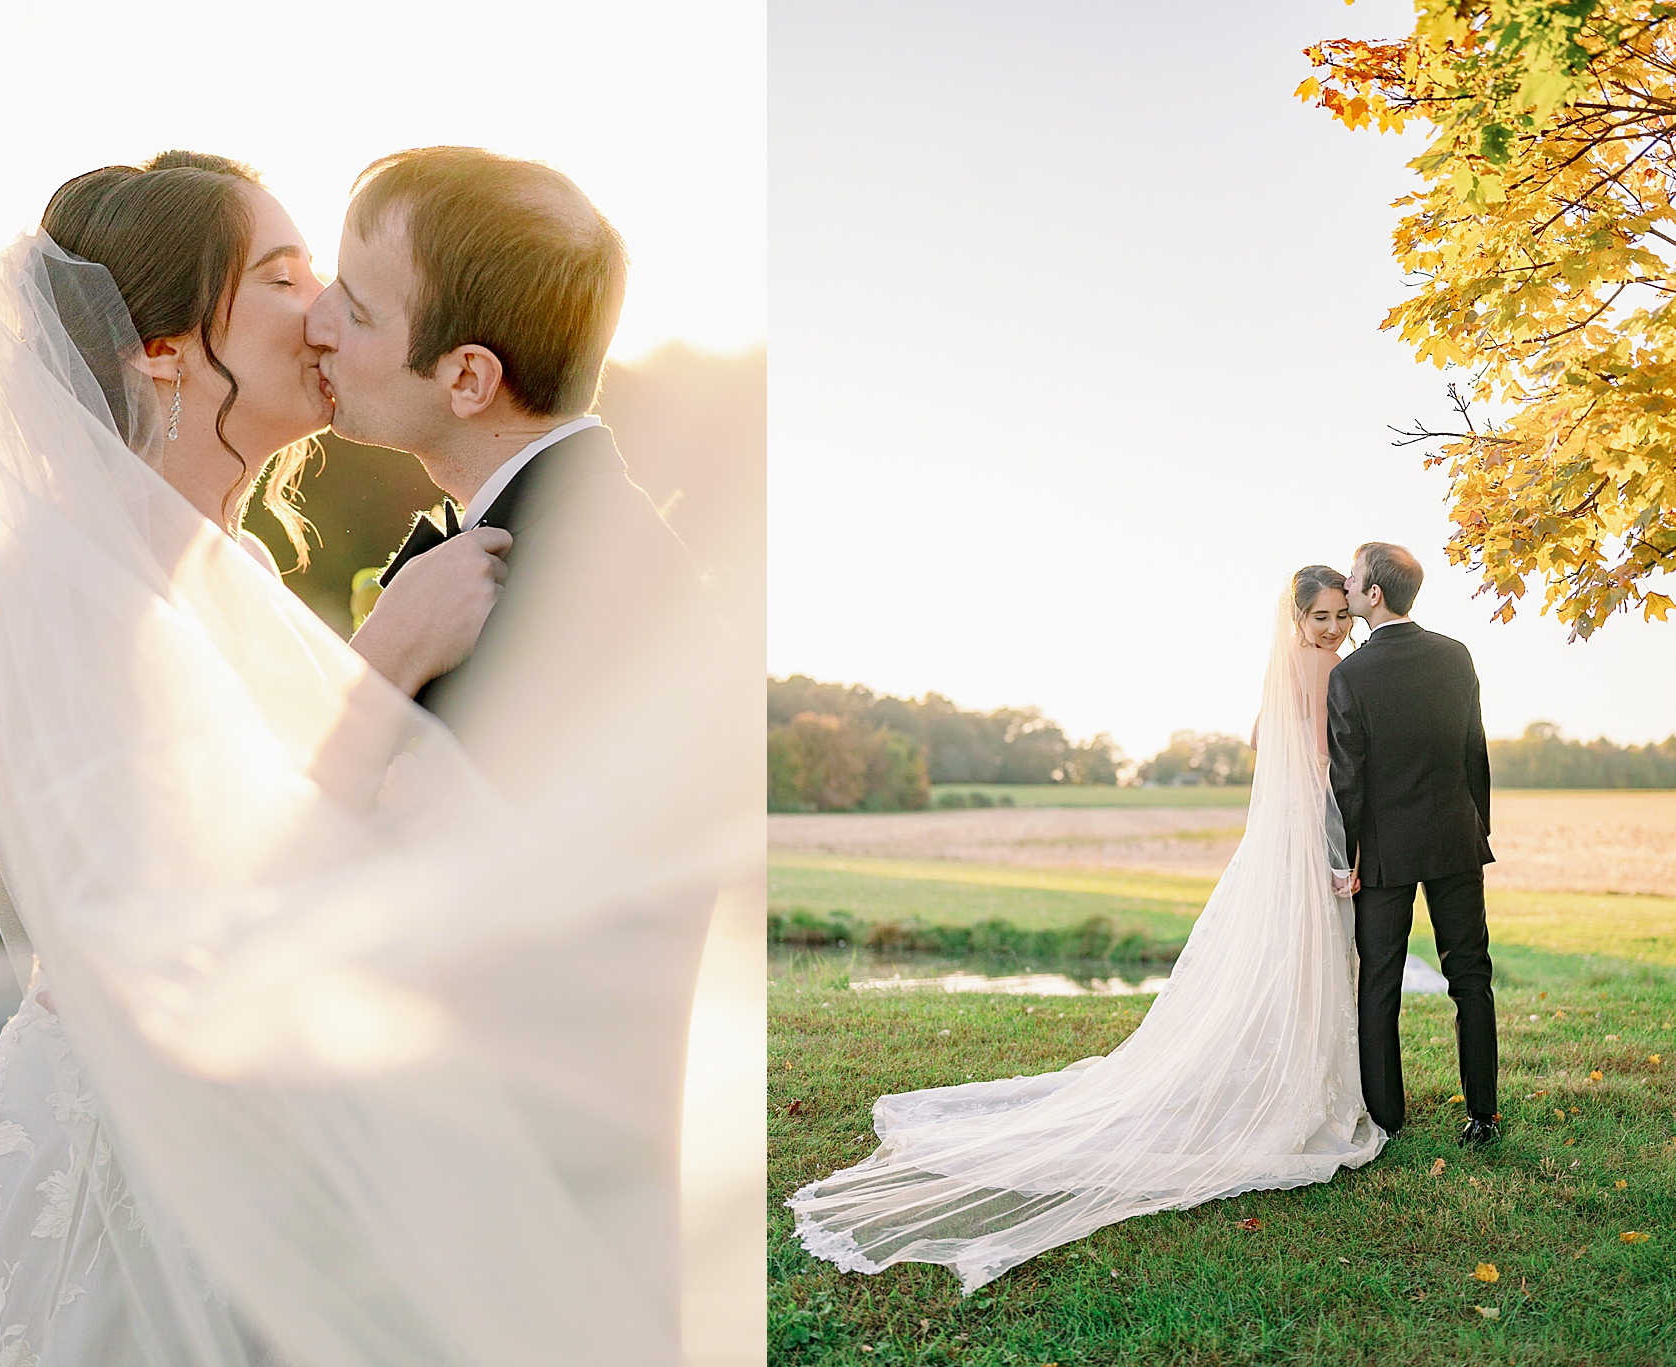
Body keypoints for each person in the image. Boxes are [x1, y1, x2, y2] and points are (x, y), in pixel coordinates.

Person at [0, 149, 734, 1367]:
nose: (323, 310)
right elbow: (175, 948)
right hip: (113, 1195)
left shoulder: (243, 577)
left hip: (283, 1183)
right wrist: (379, 668)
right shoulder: (58, 596)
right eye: (282, 275)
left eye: (332, 280)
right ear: (159, 347)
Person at [305, 146, 746, 1341]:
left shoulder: (571, 593)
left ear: (465, 374)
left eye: (354, 303)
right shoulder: (522, 543)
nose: (317, 326)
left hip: (519, 1260)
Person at [787, 565, 1384, 1294]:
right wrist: (1338, 850)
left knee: (1288, 959)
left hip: (1280, 834)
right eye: (1320, 617)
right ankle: (1300, 1089)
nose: (1332, 629)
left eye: (1337, 616)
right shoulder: (1324, 665)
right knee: (1307, 958)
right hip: (1308, 835)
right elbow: (1331, 766)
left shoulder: (1290, 663)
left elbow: (1265, 733)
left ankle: (1290, 1071)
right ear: (1297, 618)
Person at [1329, 541, 1498, 1146]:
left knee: (1380, 983)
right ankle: (1483, 1115)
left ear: (1374, 594)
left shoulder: (1351, 675)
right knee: (1471, 976)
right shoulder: (1456, 657)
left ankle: (1387, 1120)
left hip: (1384, 849)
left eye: (1353, 580)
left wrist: (1344, 854)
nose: (1346, 589)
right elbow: (1474, 750)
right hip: (1456, 838)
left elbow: (1349, 777)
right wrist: (1478, 826)